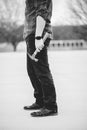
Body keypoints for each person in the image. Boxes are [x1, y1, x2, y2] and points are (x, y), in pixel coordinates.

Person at [23, 0, 58, 117]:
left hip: (38, 34)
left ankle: (50, 106)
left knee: (42, 72)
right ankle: (40, 101)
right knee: (32, 71)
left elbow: (42, 12)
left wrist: (38, 37)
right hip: (31, 34)